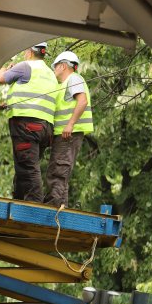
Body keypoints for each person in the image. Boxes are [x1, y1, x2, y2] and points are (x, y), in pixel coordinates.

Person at [0, 42, 58, 203]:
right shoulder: (50, 73)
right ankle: (18, 201)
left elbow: (1, 79)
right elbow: (36, 95)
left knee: (28, 169)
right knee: (24, 165)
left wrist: (5, 68)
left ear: (29, 52)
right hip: (44, 128)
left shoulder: (25, 66)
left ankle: (34, 208)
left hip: (26, 126)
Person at [46, 51, 93, 207]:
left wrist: (71, 124)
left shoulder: (74, 78)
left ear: (63, 65)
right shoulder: (64, 85)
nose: (54, 71)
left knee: (59, 171)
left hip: (68, 134)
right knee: (58, 170)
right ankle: (60, 206)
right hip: (64, 135)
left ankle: (54, 206)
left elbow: (82, 101)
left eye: (55, 67)